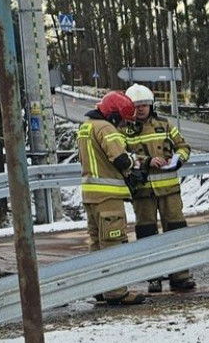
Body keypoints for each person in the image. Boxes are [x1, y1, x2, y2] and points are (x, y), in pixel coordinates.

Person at [123, 84, 195, 293]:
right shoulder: (124, 129)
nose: (141, 109)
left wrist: (178, 160)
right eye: (136, 106)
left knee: (176, 231)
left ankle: (180, 275)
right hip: (143, 192)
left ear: (151, 105)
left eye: (144, 105)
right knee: (147, 235)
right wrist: (146, 161)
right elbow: (121, 157)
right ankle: (153, 278)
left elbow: (184, 147)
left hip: (169, 191)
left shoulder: (164, 124)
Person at [78, 91, 145, 305]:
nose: (124, 125)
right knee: (113, 243)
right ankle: (116, 292)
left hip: (90, 195)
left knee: (97, 243)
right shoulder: (106, 128)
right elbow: (121, 160)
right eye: (123, 120)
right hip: (108, 196)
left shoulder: (86, 127)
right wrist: (135, 163)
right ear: (114, 115)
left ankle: (100, 288)